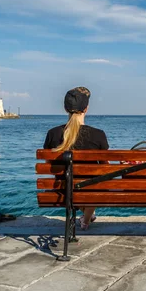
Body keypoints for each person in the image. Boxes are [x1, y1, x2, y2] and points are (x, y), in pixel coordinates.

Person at [43, 87, 108, 230]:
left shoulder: (52, 134)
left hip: (63, 189)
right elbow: (106, 168)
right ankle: (86, 219)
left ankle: (87, 218)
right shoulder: (98, 135)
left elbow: (48, 165)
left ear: (66, 109)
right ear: (86, 109)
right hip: (89, 190)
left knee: (75, 183)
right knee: (93, 183)